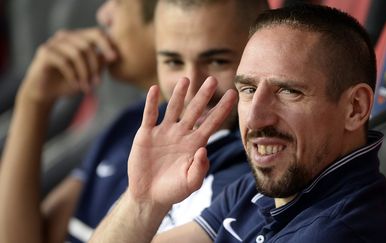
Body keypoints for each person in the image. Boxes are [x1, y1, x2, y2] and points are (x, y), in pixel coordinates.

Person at [89, 4, 386, 243]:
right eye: (249, 90)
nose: (255, 118)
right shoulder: (263, 189)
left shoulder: (338, 232)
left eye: (288, 92)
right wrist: (144, 201)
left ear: (355, 108)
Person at [0, 0, 267, 242]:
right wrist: (33, 101)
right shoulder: (133, 121)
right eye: (173, 61)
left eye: (217, 61)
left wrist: (142, 203)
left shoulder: (253, 169)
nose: (191, 85)